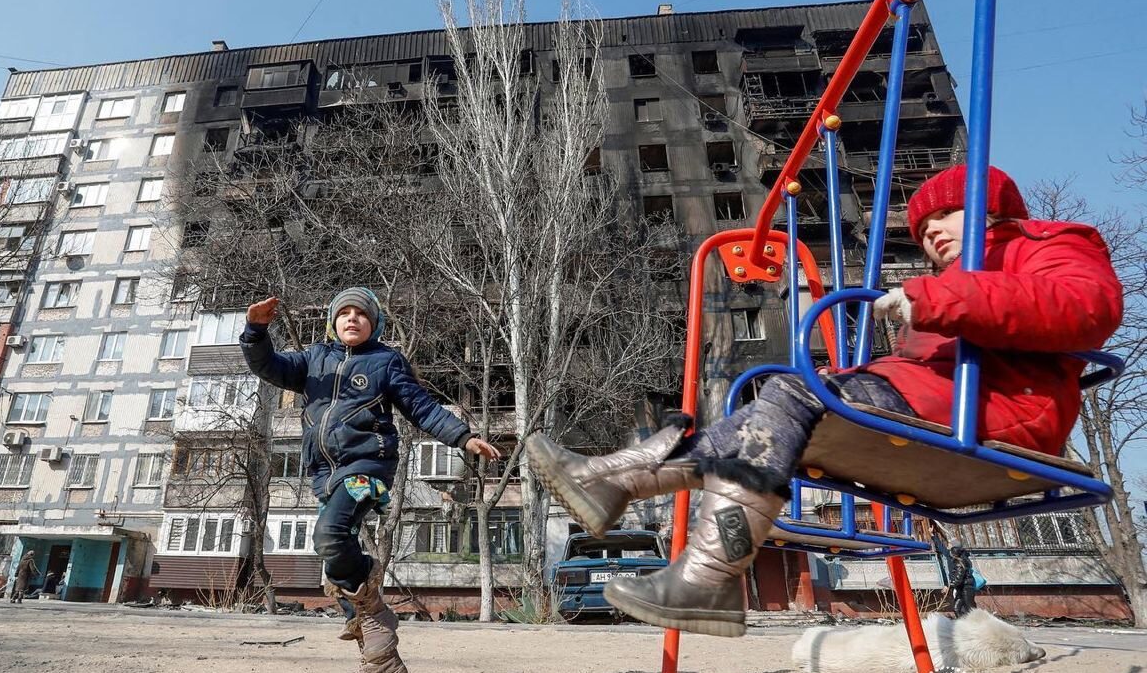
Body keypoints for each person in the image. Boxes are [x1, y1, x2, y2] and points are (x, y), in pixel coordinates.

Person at [526, 164, 1123, 637]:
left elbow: (1089, 308)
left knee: (791, 390)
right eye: (922, 229)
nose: (933, 232)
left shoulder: (1042, 245)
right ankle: (626, 488)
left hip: (1001, 410)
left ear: (992, 209)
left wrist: (944, 301)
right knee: (770, 412)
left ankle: (677, 544)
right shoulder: (952, 285)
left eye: (947, 214)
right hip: (939, 402)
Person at [241, 287, 501, 673]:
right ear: (332, 322)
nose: (351, 318)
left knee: (330, 537)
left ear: (374, 324)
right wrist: (255, 332)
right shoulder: (313, 360)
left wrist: (462, 436)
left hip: (367, 466)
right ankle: (377, 646)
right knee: (331, 549)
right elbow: (268, 367)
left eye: (361, 314)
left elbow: (421, 407)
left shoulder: (385, 362)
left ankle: (371, 606)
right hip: (323, 472)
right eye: (343, 312)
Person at [946, 540, 979, 617]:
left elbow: (959, 578)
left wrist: (951, 585)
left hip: (966, 588)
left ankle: (976, 624)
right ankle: (962, 625)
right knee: (957, 609)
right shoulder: (960, 560)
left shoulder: (960, 563)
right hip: (961, 589)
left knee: (970, 609)